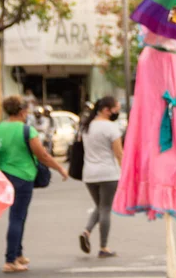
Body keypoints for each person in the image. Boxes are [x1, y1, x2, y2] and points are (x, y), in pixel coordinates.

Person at [0, 95, 68, 273]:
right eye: (26, 111)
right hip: (23, 178)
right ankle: (10, 260)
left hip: (3, 177)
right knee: (17, 217)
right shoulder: (27, 131)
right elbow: (43, 155)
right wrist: (60, 169)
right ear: (21, 112)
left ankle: (18, 254)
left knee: (19, 216)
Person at [79, 96, 123, 258]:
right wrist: (125, 172)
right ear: (106, 110)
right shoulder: (111, 127)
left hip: (89, 174)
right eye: (116, 110)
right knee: (105, 209)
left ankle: (86, 231)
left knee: (100, 206)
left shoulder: (87, 126)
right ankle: (103, 247)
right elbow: (119, 153)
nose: (116, 113)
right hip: (108, 173)